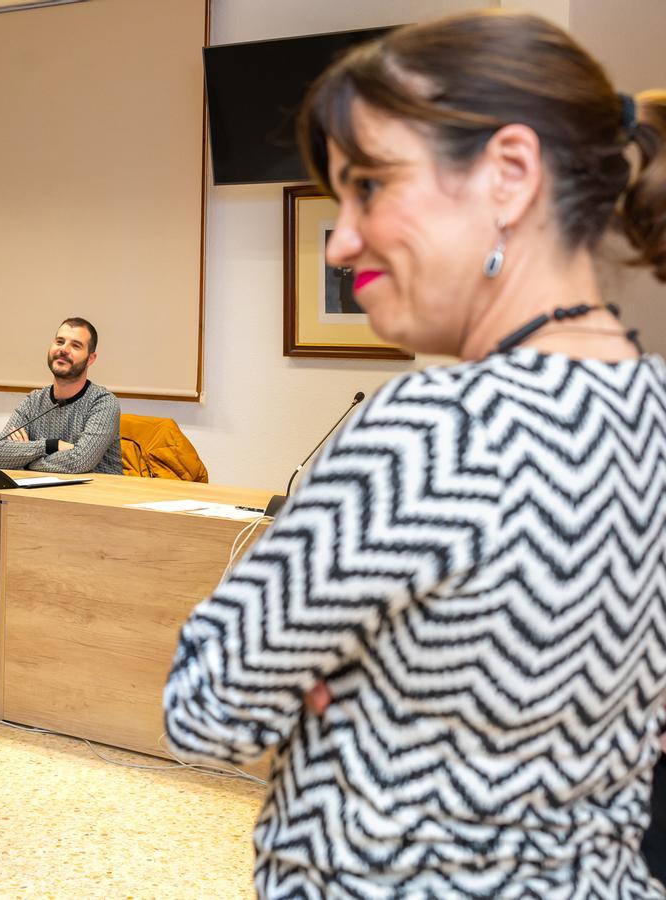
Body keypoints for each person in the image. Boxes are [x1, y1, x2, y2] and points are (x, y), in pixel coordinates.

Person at [164, 11, 666, 896]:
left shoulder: (439, 427)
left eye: (370, 187)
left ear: (509, 175)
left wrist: (327, 675)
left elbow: (205, 706)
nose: (341, 238)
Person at [0, 318, 122, 475]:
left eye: (75, 345)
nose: (64, 349)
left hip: (95, 496)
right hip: (41, 495)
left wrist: (25, 462)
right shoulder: (33, 401)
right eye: (60, 342)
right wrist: (50, 445)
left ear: (90, 359)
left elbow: (80, 461)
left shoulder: (103, 403)